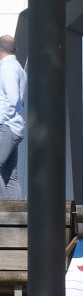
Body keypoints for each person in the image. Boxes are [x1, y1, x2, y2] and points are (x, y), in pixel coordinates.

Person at [0, 36, 24, 202]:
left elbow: (13, 98)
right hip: (14, 126)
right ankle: (17, 217)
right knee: (10, 174)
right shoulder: (18, 67)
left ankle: (2, 213)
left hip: (6, 125)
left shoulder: (7, 67)